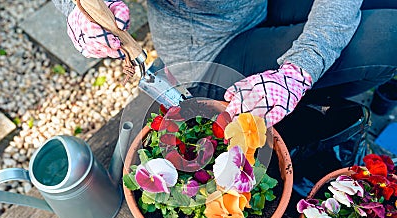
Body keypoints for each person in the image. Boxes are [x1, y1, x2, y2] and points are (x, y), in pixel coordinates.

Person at [56, 0, 397, 128]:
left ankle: (319, 98)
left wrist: (300, 69)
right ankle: (313, 109)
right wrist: (77, 10)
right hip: (212, 50)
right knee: (388, 35)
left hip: (257, 6)